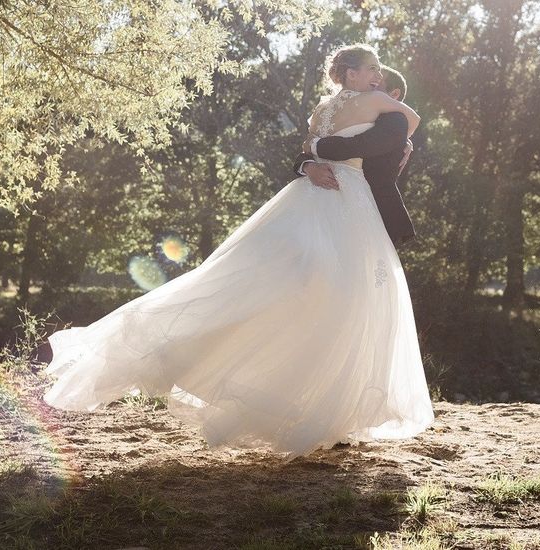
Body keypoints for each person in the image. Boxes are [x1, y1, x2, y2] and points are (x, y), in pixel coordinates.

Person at [42, 43, 435, 462]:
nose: (378, 75)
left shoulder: (321, 109)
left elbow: (312, 142)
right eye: (372, 68)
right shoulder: (377, 101)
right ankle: (328, 410)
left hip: (310, 196)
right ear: (352, 74)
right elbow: (410, 119)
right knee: (347, 294)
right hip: (345, 196)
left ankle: (328, 408)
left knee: (295, 285)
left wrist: (317, 154)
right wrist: (344, 150)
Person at [292, 65, 417, 249]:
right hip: (321, 202)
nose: (370, 85)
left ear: (394, 94)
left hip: (369, 213)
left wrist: (314, 144)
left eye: (377, 83)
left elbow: (354, 146)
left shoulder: (396, 122)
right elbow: (307, 152)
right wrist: (309, 166)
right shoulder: (354, 114)